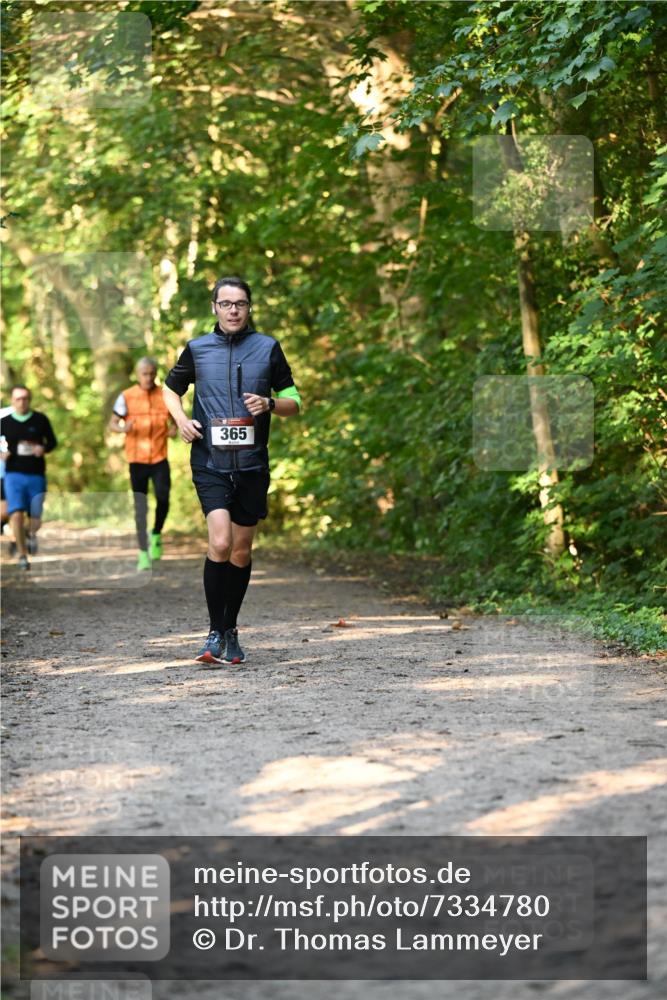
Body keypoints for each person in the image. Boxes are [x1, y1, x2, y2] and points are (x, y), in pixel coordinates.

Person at [163, 276, 301, 665]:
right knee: (220, 543)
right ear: (215, 308)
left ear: (249, 307)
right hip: (210, 461)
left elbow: (294, 399)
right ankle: (213, 632)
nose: (233, 310)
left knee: (241, 551)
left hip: (253, 464)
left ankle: (230, 629)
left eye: (240, 303)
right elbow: (170, 389)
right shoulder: (197, 349)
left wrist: (271, 405)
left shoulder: (268, 348)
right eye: (226, 304)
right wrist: (180, 420)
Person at [109, 358, 176, 571]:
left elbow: (176, 422)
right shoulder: (126, 396)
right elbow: (112, 423)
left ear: (155, 373)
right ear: (137, 375)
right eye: (144, 374)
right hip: (136, 460)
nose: (148, 377)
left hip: (159, 458)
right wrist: (122, 429)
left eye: (151, 373)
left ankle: (156, 533)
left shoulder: (165, 395)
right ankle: (142, 553)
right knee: (141, 506)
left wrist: (174, 430)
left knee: (164, 499)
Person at [0, 386, 57, 570]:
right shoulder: (5, 422)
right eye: (17, 399)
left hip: (36, 475)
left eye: (25, 398)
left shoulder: (40, 420)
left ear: (29, 400)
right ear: (12, 401)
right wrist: (2, 453)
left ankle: (26, 534)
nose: (21, 402)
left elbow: (53, 441)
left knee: (35, 520)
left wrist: (44, 449)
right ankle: (23, 555)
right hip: (13, 474)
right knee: (15, 514)